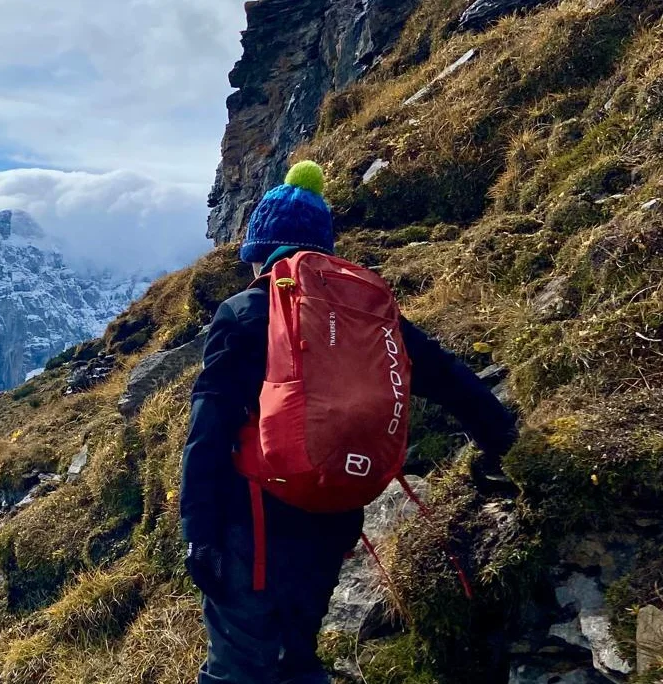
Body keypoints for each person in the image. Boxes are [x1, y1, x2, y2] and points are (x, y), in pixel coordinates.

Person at [179, 160, 519, 684]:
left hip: (255, 521)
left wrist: (197, 530)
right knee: (298, 654)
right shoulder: (364, 311)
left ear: (260, 254)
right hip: (335, 508)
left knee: (239, 667)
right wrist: (502, 437)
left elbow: (209, 422)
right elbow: (445, 373)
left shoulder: (246, 313)